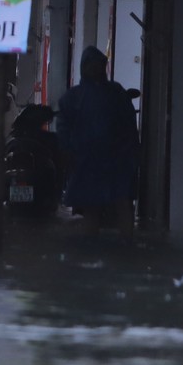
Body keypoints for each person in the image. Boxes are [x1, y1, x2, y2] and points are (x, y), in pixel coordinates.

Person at [54, 46, 139, 234]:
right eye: (92, 65)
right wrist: (68, 152)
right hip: (89, 161)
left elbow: (129, 126)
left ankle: (126, 244)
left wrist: (131, 153)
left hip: (117, 161)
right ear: (84, 67)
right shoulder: (73, 97)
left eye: (100, 65)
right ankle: (94, 246)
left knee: (123, 203)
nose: (96, 69)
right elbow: (63, 128)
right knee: (92, 208)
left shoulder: (116, 93)